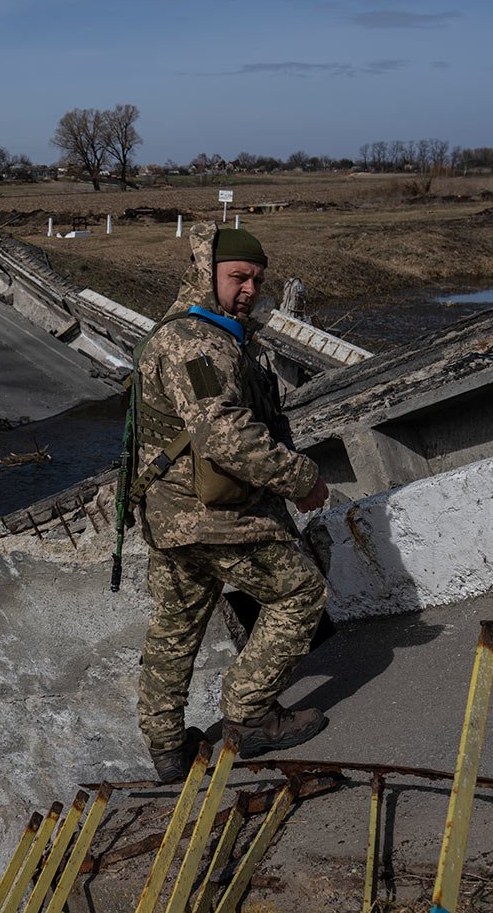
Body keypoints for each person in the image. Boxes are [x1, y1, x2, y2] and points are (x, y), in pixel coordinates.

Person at [131, 221, 331, 781]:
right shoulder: (197, 343)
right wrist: (299, 478)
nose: (249, 289)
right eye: (238, 276)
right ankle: (249, 717)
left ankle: (168, 749)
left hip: (171, 518)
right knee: (301, 592)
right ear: (205, 272)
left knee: (175, 626)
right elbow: (224, 434)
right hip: (212, 518)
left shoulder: (193, 333)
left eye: (257, 280)